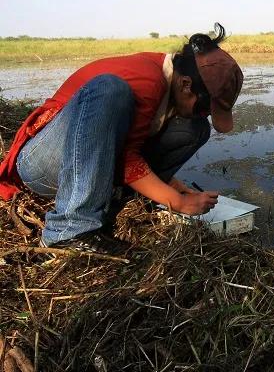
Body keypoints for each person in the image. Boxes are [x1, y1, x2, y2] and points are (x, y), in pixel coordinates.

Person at [0, 23, 244, 256]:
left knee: (195, 128)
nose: (204, 114)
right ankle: (67, 231)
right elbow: (127, 158)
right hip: (43, 164)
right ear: (185, 84)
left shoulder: (171, 84)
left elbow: (132, 144)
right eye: (203, 107)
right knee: (110, 88)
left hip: (91, 162)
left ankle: (122, 198)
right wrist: (180, 203)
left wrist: (177, 189)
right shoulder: (148, 79)